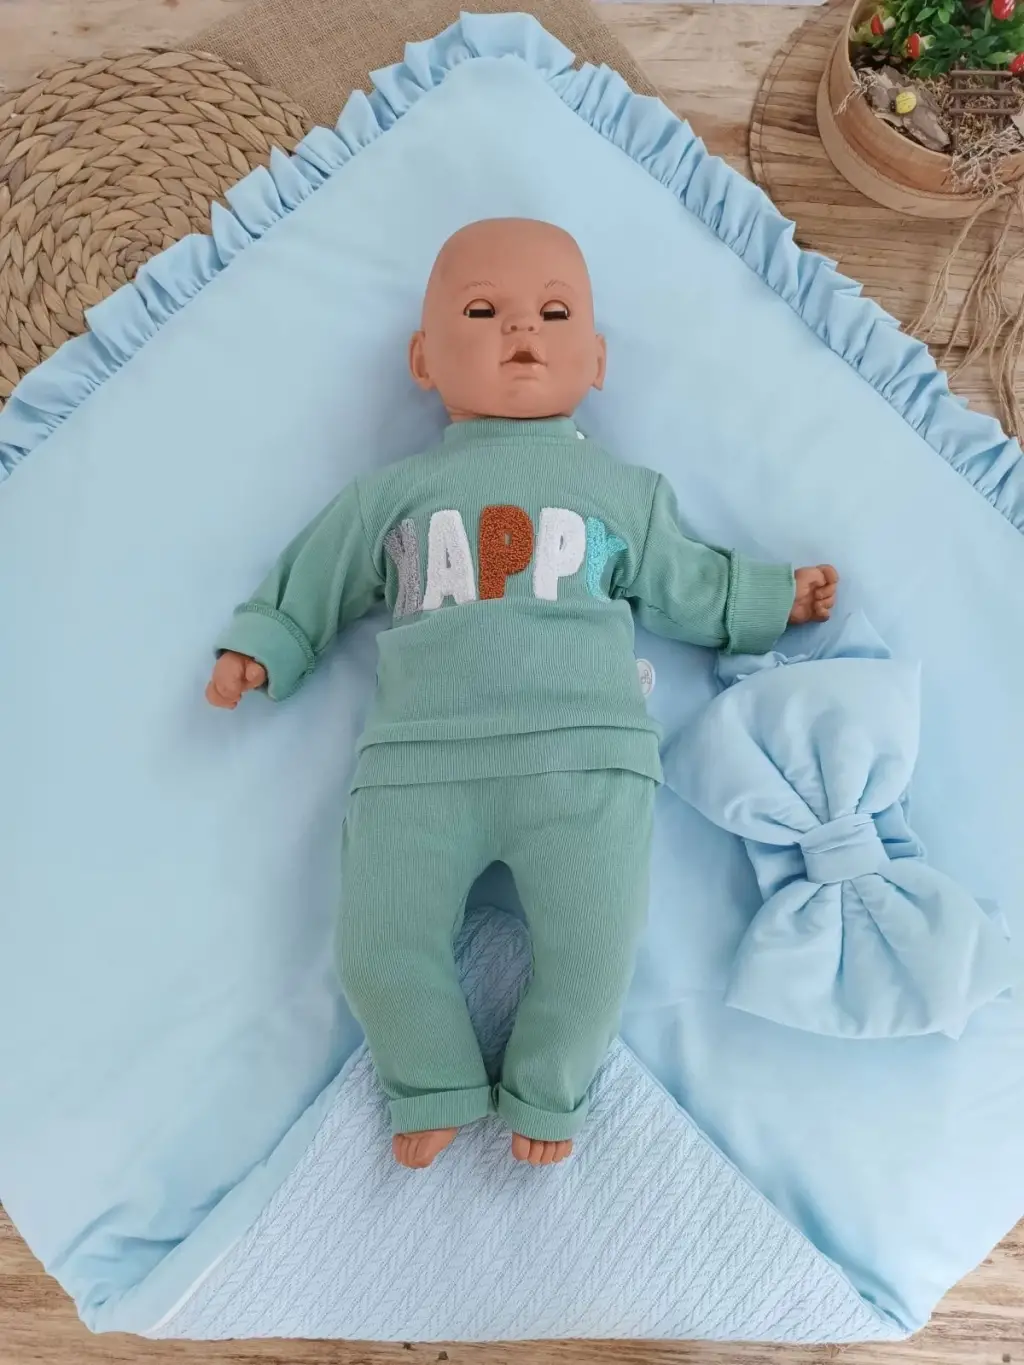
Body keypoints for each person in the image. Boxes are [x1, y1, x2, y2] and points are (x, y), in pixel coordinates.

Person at [206, 218, 838, 1170]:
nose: (521, 331)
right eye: (481, 311)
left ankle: (548, 1086)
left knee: (594, 951)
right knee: (377, 946)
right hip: (419, 767)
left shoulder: (621, 492)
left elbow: (687, 580)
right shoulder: (393, 495)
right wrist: (266, 643)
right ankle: (429, 1075)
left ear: (597, 359)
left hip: (583, 761)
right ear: (424, 359)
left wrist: (768, 597)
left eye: (553, 313)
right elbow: (318, 575)